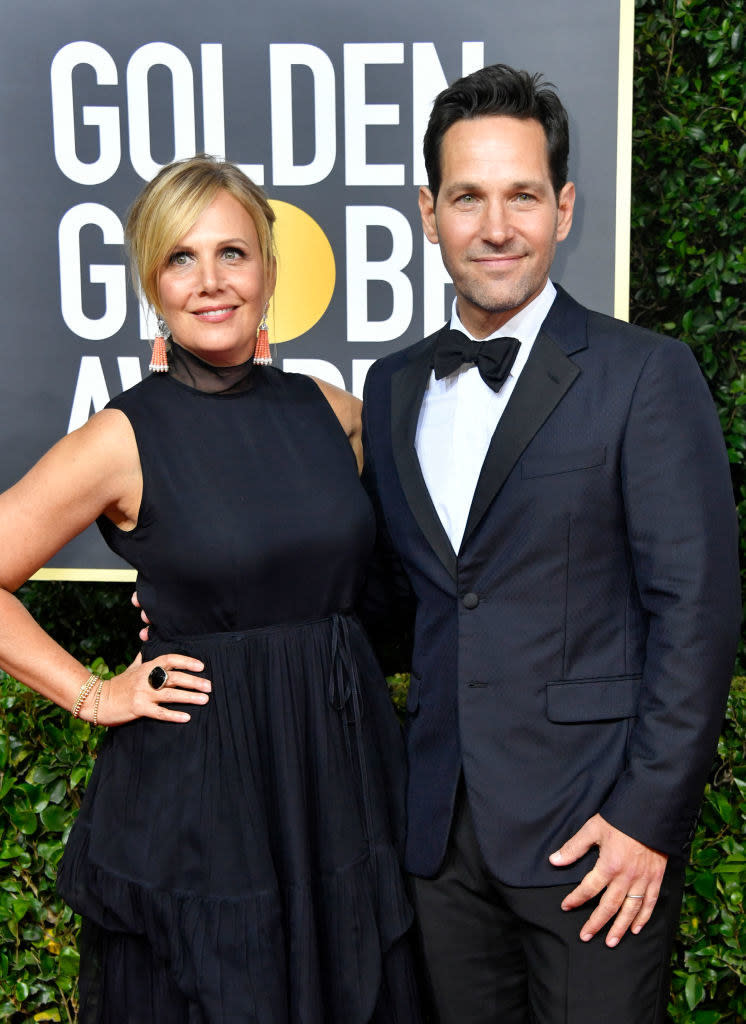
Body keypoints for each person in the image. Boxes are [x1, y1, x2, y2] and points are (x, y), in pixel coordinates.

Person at [0, 155, 421, 1023]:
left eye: (233, 252)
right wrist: (90, 691)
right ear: (152, 282)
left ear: (269, 267)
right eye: (180, 259)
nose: (211, 281)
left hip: (341, 780)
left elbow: (399, 587)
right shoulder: (122, 438)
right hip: (205, 802)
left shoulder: (334, 412)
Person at [361, 64, 741, 1023]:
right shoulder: (394, 385)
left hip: (593, 841)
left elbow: (695, 613)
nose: (496, 226)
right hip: (440, 846)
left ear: (564, 209)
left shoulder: (646, 373)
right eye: (468, 198)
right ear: (427, 211)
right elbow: (389, 597)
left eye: (522, 195)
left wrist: (648, 822)